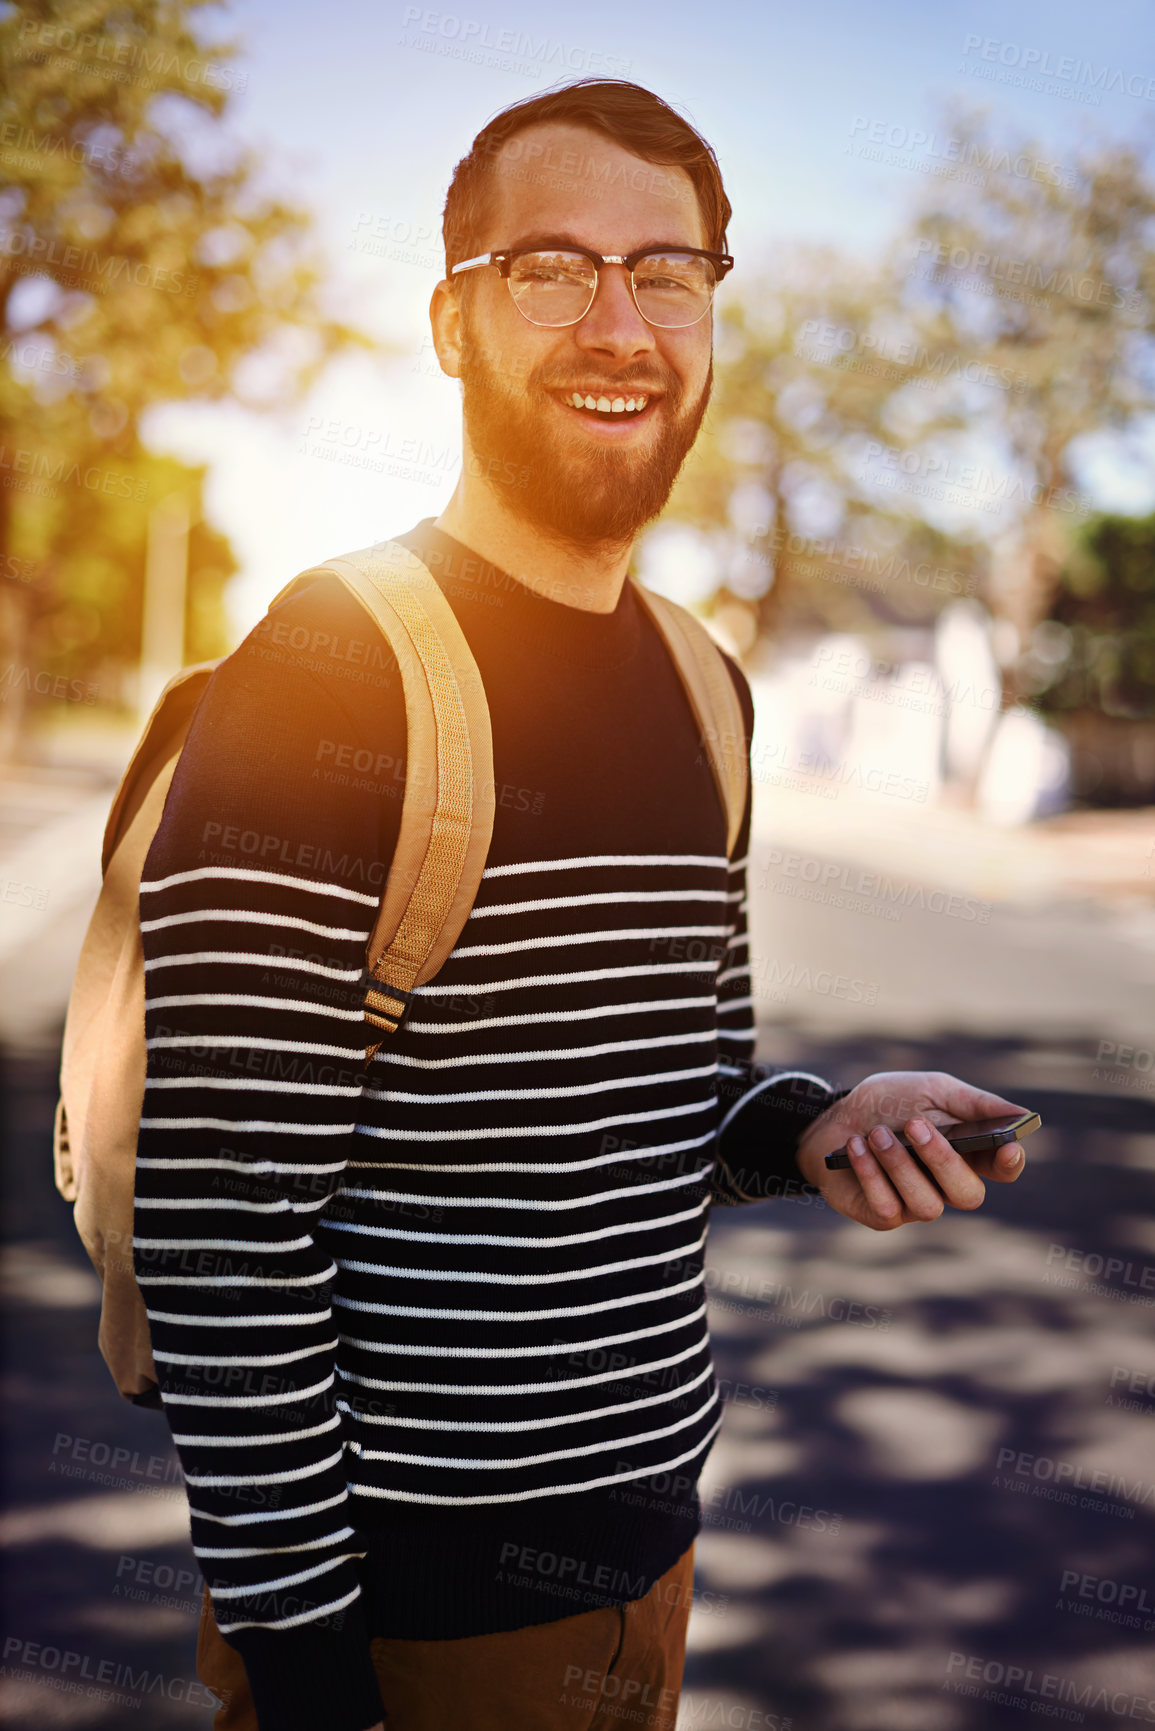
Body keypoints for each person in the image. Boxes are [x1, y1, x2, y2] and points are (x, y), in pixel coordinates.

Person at [133, 77, 1029, 1731]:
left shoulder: (709, 688)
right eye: (551, 268)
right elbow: (220, 1237)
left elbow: (675, 1092)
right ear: (451, 322)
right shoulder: (330, 665)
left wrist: (820, 1122)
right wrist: (317, 1683)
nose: (618, 322)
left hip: (649, 1571)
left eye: (666, 274)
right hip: (396, 1620)